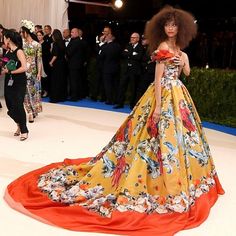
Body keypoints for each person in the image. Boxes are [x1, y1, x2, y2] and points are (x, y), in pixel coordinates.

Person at [4, 6, 224, 236]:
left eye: (174, 25)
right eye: (167, 25)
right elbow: (158, 80)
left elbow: (185, 74)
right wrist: (158, 107)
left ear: (181, 28)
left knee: (178, 138)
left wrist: (184, 59)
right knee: (148, 137)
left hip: (178, 97)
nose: (170, 28)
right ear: (163, 28)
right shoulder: (162, 47)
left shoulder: (180, 50)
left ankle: (169, 173)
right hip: (162, 97)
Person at [1, 29, 28, 140]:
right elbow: (6, 66)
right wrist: (4, 69)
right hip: (9, 81)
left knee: (18, 105)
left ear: (8, 39)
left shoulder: (19, 51)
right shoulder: (8, 52)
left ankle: (24, 130)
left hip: (19, 82)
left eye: (4, 37)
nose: (3, 39)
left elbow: (24, 67)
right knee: (10, 106)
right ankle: (19, 124)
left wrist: (10, 72)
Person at [20, 20, 43, 123]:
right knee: (24, 93)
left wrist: (39, 73)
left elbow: (39, 60)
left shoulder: (37, 45)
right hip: (23, 71)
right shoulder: (21, 44)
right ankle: (29, 112)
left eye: (22, 32)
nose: (21, 34)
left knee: (33, 93)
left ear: (26, 32)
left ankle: (34, 110)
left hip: (33, 72)